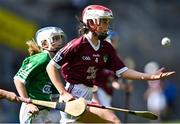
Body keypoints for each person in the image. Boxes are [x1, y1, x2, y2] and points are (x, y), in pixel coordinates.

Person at [46, 5, 175, 123]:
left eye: (108, 21)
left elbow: (123, 71)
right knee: (113, 121)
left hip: (89, 95)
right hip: (73, 97)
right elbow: (51, 66)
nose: (108, 25)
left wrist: (149, 76)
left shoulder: (106, 48)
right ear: (91, 23)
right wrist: (63, 93)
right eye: (104, 21)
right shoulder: (77, 45)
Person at [13, 26, 66, 123]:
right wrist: (28, 103)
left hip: (45, 109)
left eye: (60, 38)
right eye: (55, 39)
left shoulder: (54, 61)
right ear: (44, 43)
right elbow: (18, 80)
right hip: (33, 108)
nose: (60, 42)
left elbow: (53, 92)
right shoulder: (42, 58)